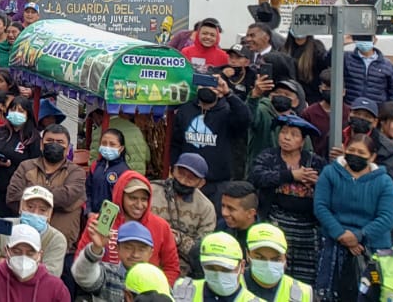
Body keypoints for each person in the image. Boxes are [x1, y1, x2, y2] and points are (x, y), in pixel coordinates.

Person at [314, 134, 393, 302]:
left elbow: (387, 217)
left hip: (372, 248)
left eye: (361, 152)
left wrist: (358, 236)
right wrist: (341, 234)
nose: (355, 155)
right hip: (335, 243)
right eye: (351, 150)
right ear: (344, 150)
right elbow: (321, 206)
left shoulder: (384, 181)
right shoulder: (330, 173)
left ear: (372, 156)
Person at [250, 116, 326, 284]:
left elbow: (331, 187)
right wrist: (291, 175)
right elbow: (257, 177)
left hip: (307, 228)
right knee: (273, 273)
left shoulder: (315, 162)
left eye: (293, 134)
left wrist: (317, 182)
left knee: (304, 279)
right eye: (283, 132)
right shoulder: (268, 157)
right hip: (275, 222)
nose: (286, 137)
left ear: (302, 141)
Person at [78, 170, 181, 284]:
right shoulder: (99, 223)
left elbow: (171, 267)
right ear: (120, 196)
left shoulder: (161, 226)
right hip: (103, 289)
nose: (139, 205)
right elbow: (81, 262)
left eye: (144, 199)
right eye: (133, 198)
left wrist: (157, 292)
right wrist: (96, 248)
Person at [5, 123, 86, 251]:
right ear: (42, 145)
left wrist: (29, 197)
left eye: (60, 142)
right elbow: (13, 196)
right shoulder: (26, 166)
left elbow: (66, 198)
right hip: (24, 244)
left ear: (68, 148)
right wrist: (57, 202)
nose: (54, 144)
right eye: (50, 141)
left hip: (61, 247)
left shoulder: (76, 172)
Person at [174, 75, 250, 206]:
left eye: (212, 85)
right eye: (203, 84)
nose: (207, 89)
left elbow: (245, 118)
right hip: (186, 181)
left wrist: (228, 93)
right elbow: (176, 142)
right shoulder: (185, 110)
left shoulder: (228, 111)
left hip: (217, 183)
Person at [0, 223, 69, 302]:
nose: (23, 257)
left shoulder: (56, 288)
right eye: (17, 251)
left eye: (30, 253)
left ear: (40, 254)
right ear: (7, 251)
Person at [73, 219, 158, 302]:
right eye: (128, 248)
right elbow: (83, 275)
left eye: (141, 249)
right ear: (117, 248)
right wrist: (96, 248)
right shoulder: (107, 273)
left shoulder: (158, 281)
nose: (135, 254)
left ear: (150, 253)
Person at [0, 185, 67, 279]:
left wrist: (4, 262)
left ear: (50, 214)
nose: (35, 213)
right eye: (30, 207)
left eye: (42, 210)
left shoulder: (57, 239)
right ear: (20, 207)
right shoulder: (2, 227)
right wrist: (37, 266)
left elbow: (50, 276)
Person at [174, 232, 259, 302]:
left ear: (242, 266)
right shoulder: (180, 291)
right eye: (211, 268)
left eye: (226, 269)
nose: (218, 275)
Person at [243, 223, 313, 302]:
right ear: (247, 254)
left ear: (285, 257)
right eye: (260, 258)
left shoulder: (303, 293)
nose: (268, 264)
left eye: (275, 259)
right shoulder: (232, 287)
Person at [343, 36, 393, 107]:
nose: (364, 41)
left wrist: (390, 111)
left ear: (374, 40)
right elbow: (328, 60)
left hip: (377, 110)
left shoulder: (387, 64)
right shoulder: (346, 58)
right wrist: (341, 43)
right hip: (351, 108)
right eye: (361, 38)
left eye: (367, 38)